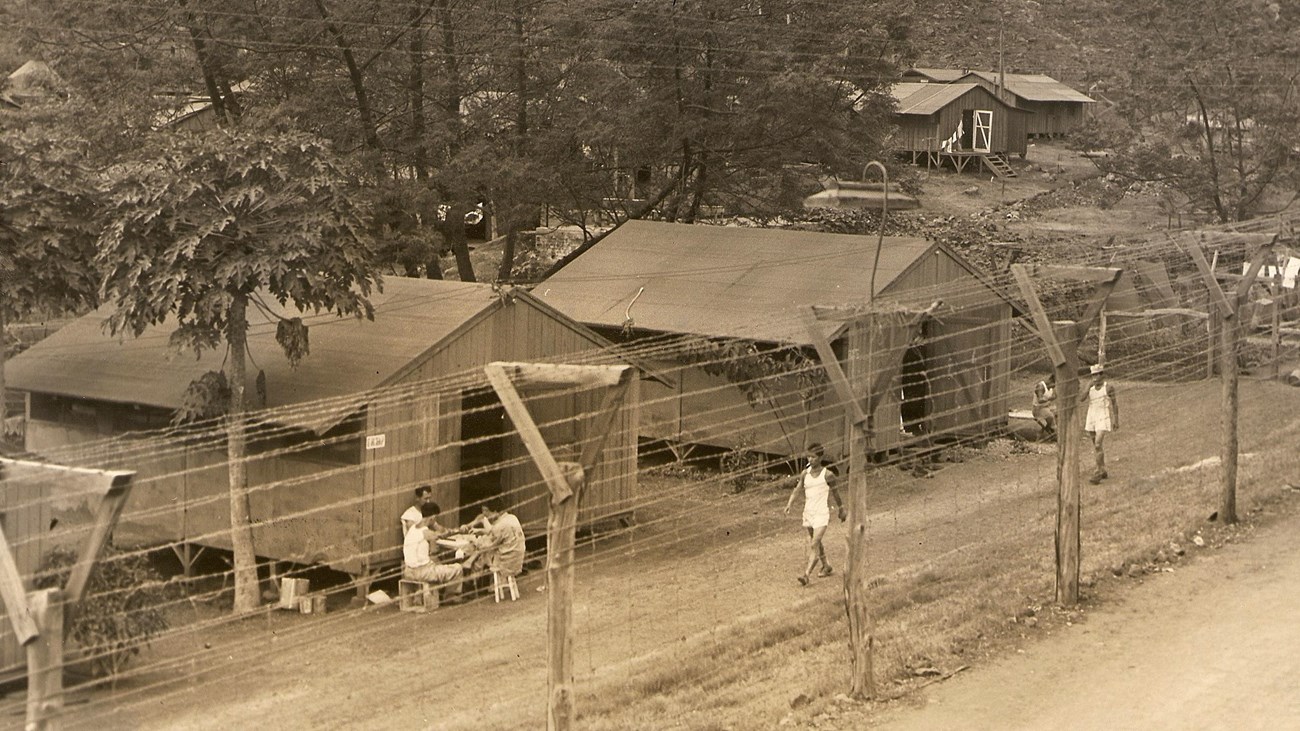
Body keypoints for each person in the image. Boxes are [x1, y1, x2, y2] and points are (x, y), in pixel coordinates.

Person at [783, 443, 846, 587]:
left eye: (813, 457)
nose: (810, 460)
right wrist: (789, 504)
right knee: (816, 542)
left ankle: (806, 575)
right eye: (809, 456)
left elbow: (836, 494)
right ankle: (826, 566)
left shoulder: (828, 475)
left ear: (821, 457)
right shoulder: (805, 473)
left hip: (822, 514)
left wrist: (841, 509)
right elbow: (797, 489)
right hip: (808, 513)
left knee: (814, 544)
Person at [403, 502, 465, 603]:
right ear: (432, 517)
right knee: (457, 568)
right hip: (421, 573)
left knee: (436, 564)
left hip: (408, 571)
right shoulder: (426, 532)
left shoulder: (412, 529)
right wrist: (456, 531)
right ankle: (450, 597)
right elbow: (436, 547)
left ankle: (427, 595)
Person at [466, 500, 526, 579]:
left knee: (482, 554)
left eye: (487, 511)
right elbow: (499, 534)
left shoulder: (499, 526)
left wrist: (474, 540)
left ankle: (471, 580)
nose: (485, 514)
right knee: (484, 550)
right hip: (517, 560)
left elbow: (488, 545)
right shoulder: (512, 518)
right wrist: (481, 531)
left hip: (507, 563)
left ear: (495, 511)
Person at [1082, 364, 1119, 485]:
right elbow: (1081, 398)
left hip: (1103, 416)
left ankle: (1097, 471)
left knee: (1098, 444)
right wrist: (1087, 387)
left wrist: (1116, 420)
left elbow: (1114, 404)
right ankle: (1102, 469)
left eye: (1097, 374)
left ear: (1102, 375)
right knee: (1096, 445)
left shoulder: (1108, 387)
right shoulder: (1090, 387)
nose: (1095, 377)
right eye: (1093, 375)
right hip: (1091, 416)